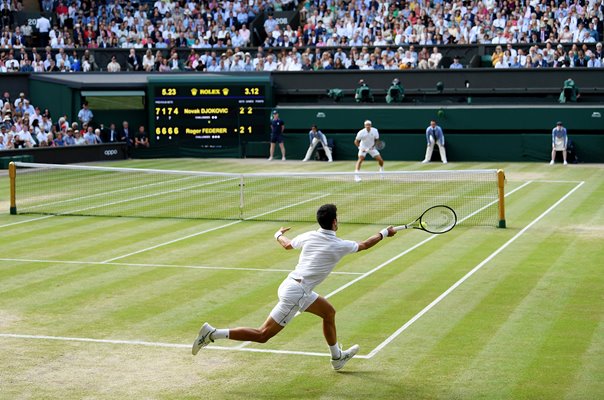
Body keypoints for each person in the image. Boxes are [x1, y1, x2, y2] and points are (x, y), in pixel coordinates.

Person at [192, 204, 397, 370]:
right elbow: (365, 244)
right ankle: (212, 333)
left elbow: (287, 244)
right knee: (263, 335)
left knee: (328, 312)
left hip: (292, 285)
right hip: (296, 293)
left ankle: (337, 358)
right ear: (334, 222)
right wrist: (384, 233)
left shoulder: (309, 235)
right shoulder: (339, 245)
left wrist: (277, 234)